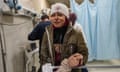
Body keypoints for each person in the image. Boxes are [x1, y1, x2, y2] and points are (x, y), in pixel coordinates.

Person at [40, 3, 88, 72]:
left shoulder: (76, 34)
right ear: (50, 18)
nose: (56, 18)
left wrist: (79, 60)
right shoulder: (46, 34)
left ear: (66, 17)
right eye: (53, 15)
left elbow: (84, 54)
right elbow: (43, 55)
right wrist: (46, 66)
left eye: (60, 15)